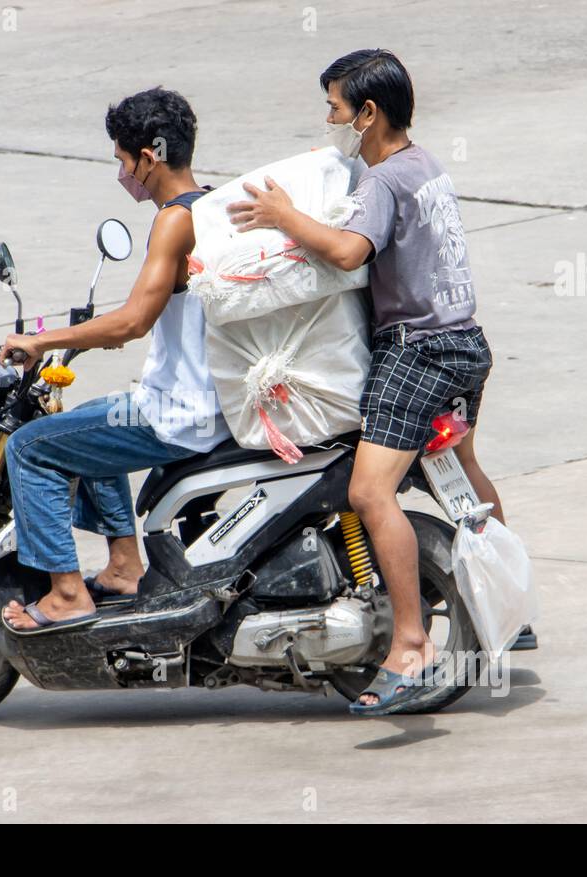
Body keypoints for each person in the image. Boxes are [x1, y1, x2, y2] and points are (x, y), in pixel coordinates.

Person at [227, 49, 513, 712]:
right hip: (465, 342)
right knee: (465, 472)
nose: (330, 120)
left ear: (369, 113)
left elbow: (351, 250)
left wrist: (282, 217)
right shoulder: (422, 165)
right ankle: (507, 607)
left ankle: (410, 642)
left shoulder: (382, 183)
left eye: (335, 109)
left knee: (368, 490)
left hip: (417, 353)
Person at [0, 87, 231, 634]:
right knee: (92, 418)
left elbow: (133, 322)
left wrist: (43, 340)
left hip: (180, 414)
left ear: (149, 157)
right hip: (209, 401)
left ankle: (66, 594)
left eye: (123, 161)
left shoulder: (174, 221)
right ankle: (124, 566)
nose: (122, 173)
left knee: (31, 446)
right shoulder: (216, 203)